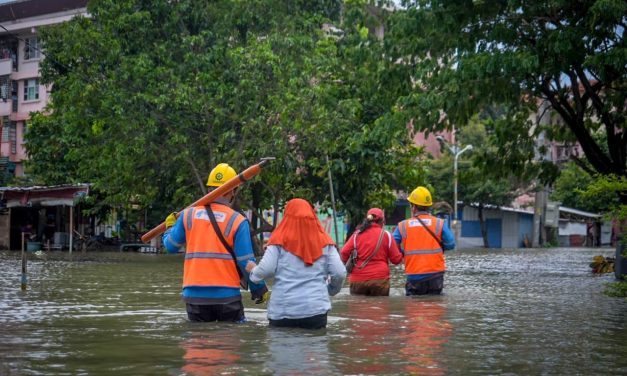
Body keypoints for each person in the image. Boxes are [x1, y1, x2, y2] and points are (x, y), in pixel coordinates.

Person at [162, 163, 269, 323]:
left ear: (210, 188)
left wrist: (170, 226)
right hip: (227, 297)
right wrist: (259, 288)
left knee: (198, 343)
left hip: (194, 296)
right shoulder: (237, 221)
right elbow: (246, 263)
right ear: (233, 191)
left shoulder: (188, 215)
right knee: (229, 343)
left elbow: (170, 246)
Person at [245, 198, 346, 329]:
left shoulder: (278, 241)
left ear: (286, 217)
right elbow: (340, 273)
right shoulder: (326, 242)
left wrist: (253, 272)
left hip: (283, 311)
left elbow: (266, 270)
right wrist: (331, 290)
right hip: (315, 311)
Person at [393, 186, 455, 295]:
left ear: (413, 207)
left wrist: (403, 253)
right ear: (428, 207)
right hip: (435, 275)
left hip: (414, 276)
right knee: (434, 307)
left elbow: (392, 245)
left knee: (414, 309)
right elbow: (451, 244)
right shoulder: (439, 223)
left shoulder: (403, 225)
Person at [340, 208, 403, 296]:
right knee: (379, 307)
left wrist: (349, 264)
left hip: (358, 281)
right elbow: (396, 260)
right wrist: (402, 252)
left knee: (358, 308)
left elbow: (343, 252)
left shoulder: (356, 235)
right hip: (380, 280)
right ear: (382, 221)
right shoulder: (387, 235)